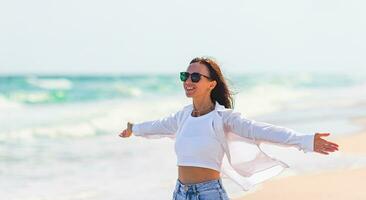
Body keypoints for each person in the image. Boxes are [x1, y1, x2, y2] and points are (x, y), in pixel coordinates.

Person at [119, 57, 339, 200]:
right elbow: (157, 126)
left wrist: (306, 140)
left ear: (211, 83)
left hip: (209, 194)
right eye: (185, 76)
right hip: (180, 193)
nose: (188, 80)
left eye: (195, 76)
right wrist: (134, 128)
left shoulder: (223, 118)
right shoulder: (183, 116)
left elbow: (261, 130)